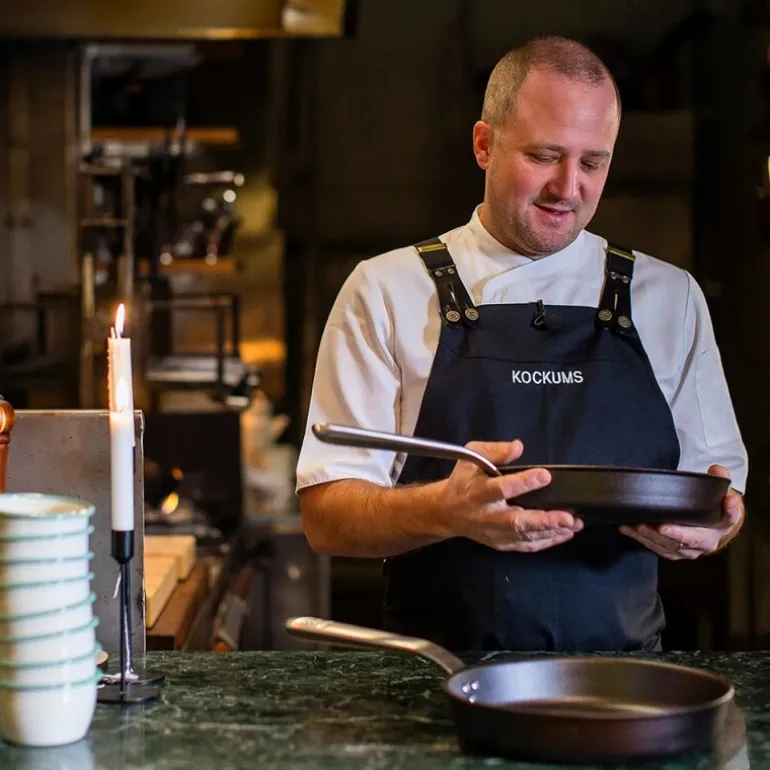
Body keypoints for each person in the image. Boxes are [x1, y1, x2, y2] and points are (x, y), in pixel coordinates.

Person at [294, 36, 748, 653]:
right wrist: (445, 510)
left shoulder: (670, 296)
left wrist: (714, 527)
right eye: (544, 155)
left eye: (593, 163)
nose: (568, 187)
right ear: (484, 145)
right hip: (436, 678)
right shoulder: (385, 289)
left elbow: (719, 496)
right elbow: (326, 518)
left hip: (623, 680)